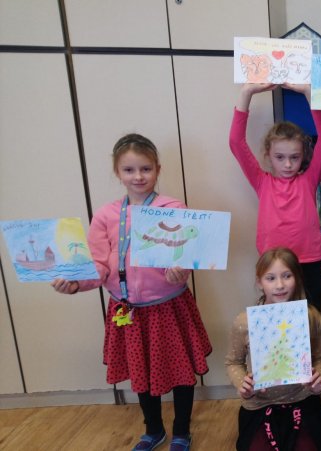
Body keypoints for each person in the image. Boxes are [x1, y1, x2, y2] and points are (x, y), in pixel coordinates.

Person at [51, 134, 211, 451]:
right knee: (142, 372)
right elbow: (98, 264)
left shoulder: (172, 208)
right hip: (127, 310)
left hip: (168, 306)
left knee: (181, 372)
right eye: (129, 170)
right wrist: (76, 283)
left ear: (157, 170)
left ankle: (182, 430)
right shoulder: (106, 215)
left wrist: (180, 271)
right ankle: (153, 430)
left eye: (146, 169)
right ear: (117, 172)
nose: (138, 176)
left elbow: (186, 254)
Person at [229, 82, 321, 310]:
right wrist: (247, 92)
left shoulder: (308, 179)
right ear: (268, 155)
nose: (288, 164)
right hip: (274, 265)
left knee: (311, 319)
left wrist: (309, 92)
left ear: (303, 156)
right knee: (278, 323)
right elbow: (236, 142)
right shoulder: (262, 181)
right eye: (280, 157)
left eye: (294, 157)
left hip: (309, 261)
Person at [225, 247, 321, 451]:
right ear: (260, 282)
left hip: (303, 399)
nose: (280, 285)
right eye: (271, 278)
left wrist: (318, 379)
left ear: (297, 279)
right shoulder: (244, 322)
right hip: (259, 405)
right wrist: (243, 384)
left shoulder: (310, 317)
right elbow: (233, 362)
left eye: (287, 276)